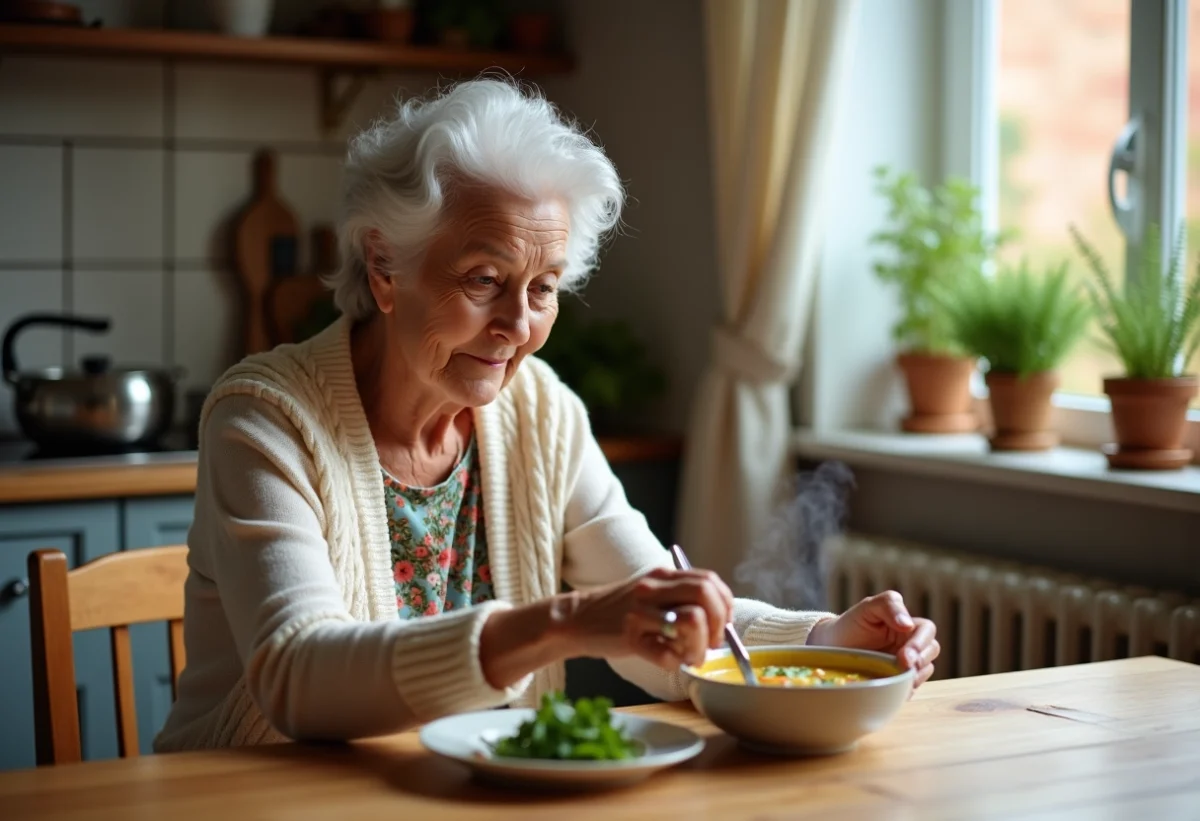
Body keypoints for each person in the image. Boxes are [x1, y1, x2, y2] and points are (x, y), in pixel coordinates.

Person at [155, 78, 938, 752]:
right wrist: (562, 624)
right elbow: (299, 677)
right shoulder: (265, 418)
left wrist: (826, 643)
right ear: (384, 267)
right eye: (485, 279)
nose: (516, 325)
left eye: (543, 287)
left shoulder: (541, 413)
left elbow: (656, 622)